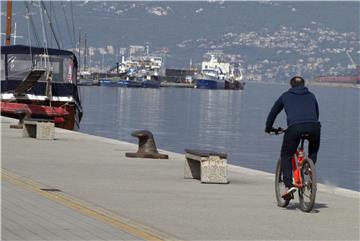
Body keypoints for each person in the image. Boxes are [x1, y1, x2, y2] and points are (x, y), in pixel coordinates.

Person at [265, 76, 321, 199]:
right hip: (314, 126)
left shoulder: (285, 96)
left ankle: (288, 185)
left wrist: (268, 128)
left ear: (291, 85)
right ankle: (309, 167)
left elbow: (273, 112)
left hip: (295, 128)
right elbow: (316, 114)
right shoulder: (311, 95)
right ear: (304, 84)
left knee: (286, 155)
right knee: (314, 148)